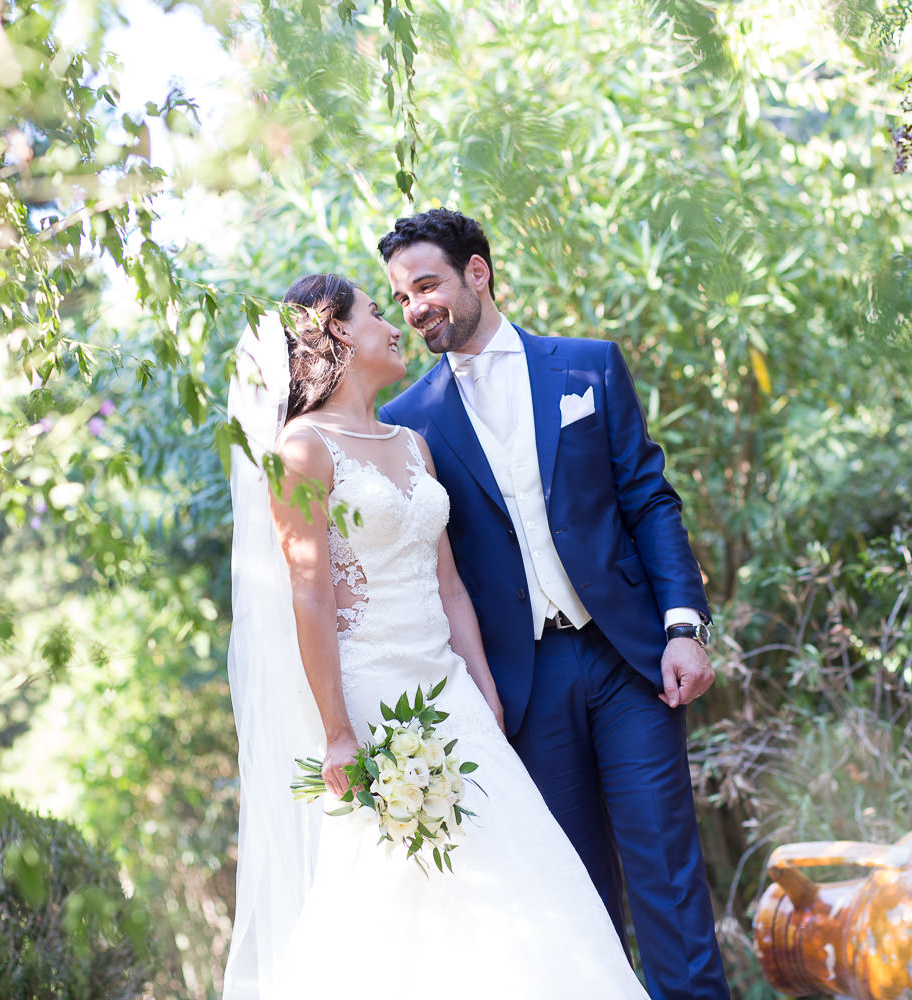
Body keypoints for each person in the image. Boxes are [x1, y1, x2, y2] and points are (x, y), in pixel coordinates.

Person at [220, 273, 649, 999]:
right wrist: (338, 733)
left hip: (449, 690)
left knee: (521, 873)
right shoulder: (301, 449)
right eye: (376, 312)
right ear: (338, 331)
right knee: (403, 895)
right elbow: (309, 595)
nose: (396, 326)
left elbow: (448, 585)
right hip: (372, 697)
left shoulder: (413, 444)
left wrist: (482, 686)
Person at [377, 208, 730, 1000]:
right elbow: (429, 573)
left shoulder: (588, 367)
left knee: (669, 875)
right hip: (523, 686)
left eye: (427, 285)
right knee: (575, 904)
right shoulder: (408, 424)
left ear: (477, 272)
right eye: (400, 298)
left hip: (627, 660)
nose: (416, 308)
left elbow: (649, 502)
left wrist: (683, 626)